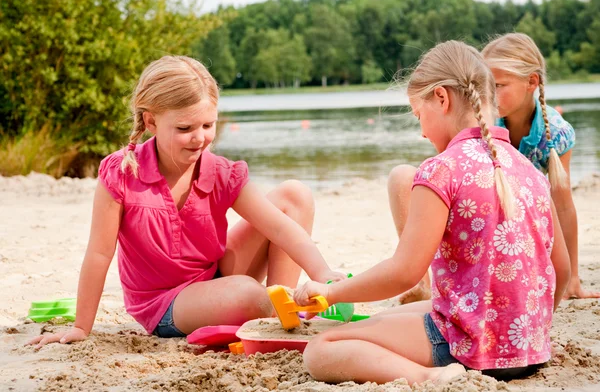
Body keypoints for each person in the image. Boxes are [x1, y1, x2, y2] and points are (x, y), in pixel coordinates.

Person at [293, 41, 571, 385]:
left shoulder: (441, 170)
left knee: (322, 349)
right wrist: (532, 328)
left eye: (418, 115)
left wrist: (332, 293)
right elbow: (561, 268)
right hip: (528, 352)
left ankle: (428, 376)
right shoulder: (529, 170)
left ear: (442, 98)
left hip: (470, 350)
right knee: (412, 311)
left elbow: (404, 273)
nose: (422, 131)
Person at [28, 56, 343, 349]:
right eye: (185, 128)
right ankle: (274, 309)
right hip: (166, 304)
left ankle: (276, 314)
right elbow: (99, 254)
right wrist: (81, 327)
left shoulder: (220, 172)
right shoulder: (122, 173)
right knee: (246, 292)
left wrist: (324, 274)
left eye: (208, 125)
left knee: (294, 195)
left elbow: (280, 227)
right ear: (151, 122)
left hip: (214, 275)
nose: (199, 138)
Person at [482, 32, 599, 299]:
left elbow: (563, 205)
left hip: (528, 223)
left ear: (531, 82)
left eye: (498, 86)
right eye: (485, 85)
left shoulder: (556, 134)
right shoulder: (485, 122)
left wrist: (573, 278)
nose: (489, 95)